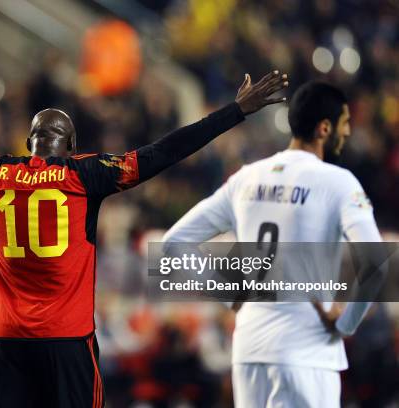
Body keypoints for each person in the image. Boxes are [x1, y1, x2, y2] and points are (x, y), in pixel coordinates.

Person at [0, 71, 288, 407]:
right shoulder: (87, 175)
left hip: (8, 340)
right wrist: (236, 112)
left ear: (28, 141)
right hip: (67, 340)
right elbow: (166, 150)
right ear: (69, 145)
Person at [163, 81, 384, 407]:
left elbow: (173, 245)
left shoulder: (246, 178)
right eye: (345, 123)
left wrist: (230, 294)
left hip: (250, 351)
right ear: (324, 128)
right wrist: (345, 324)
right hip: (307, 353)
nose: (348, 132)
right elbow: (376, 264)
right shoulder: (337, 182)